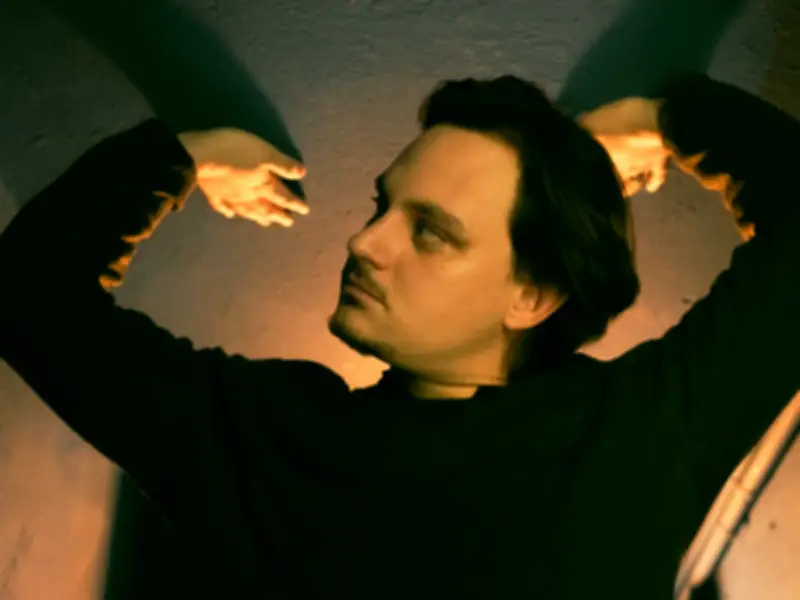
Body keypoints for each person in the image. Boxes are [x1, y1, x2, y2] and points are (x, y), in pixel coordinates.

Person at [0, 72, 797, 599]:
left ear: (532, 296)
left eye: (431, 233)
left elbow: (31, 291)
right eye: (383, 206)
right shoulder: (645, 432)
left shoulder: (259, 436)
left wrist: (184, 160)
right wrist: (664, 122)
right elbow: (26, 297)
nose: (364, 241)